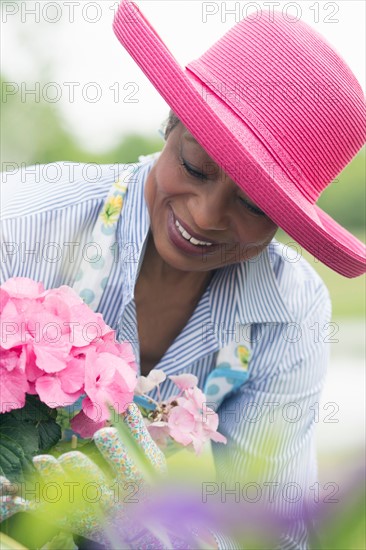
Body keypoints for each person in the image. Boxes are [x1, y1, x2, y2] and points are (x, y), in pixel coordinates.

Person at [1, 0, 365, 548]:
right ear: (170, 123)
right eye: (194, 168)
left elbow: (272, 528)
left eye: (255, 207)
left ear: (287, 223)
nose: (203, 216)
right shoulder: (24, 224)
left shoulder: (288, 311)